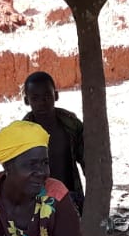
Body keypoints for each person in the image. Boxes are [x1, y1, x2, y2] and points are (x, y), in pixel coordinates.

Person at [22, 72, 86, 214]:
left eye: (47, 96)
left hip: (71, 197)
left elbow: (88, 162)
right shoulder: (23, 133)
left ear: (56, 96)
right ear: (27, 100)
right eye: (35, 98)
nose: (42, 103)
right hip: (38, 203)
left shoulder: (71, 125)